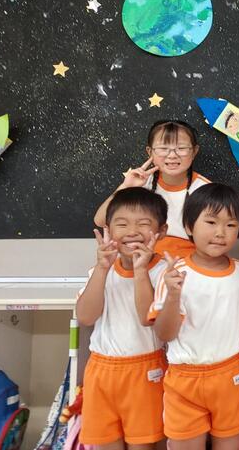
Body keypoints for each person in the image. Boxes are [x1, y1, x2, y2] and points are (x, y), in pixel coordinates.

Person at [149, 184, 239, 450]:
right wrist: (173, 295)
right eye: (211, 222)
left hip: (231, 375)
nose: (220, 232)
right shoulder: (174, 274)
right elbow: (164, 334)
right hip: (185, 379)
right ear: (188, 225)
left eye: (231, 225)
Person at [77, 188, 169, 450]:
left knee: (143, 445)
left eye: (143, 223)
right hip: (100, 371)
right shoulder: (100, 270)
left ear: (162, 231)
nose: (132, 231)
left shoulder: (165, 271)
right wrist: (102, 269)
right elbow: (85, 317)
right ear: (108, 230)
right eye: (122, 224)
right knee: (106, 443)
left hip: (145, 371)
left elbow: (147, 317)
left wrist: (140, 271)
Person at [94, 120, 208, 258]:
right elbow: (101, 221)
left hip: (186, 261)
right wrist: (126, 187)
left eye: (181, 148)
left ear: (194, 151)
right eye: (163, 148)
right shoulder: (142, 182)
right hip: (142, 257)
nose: (172, 155)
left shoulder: (206, 190)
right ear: (150, 152)